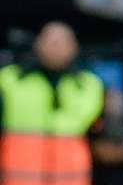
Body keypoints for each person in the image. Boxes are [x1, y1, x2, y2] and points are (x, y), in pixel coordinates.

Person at [0, 22, 105, 185]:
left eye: (62, 42)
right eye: (51, 41)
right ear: (38, 43)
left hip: (70, 179)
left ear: (74, 47)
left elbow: (100, 134)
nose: (56, 47)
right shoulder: (9, 79)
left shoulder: (89, 85)